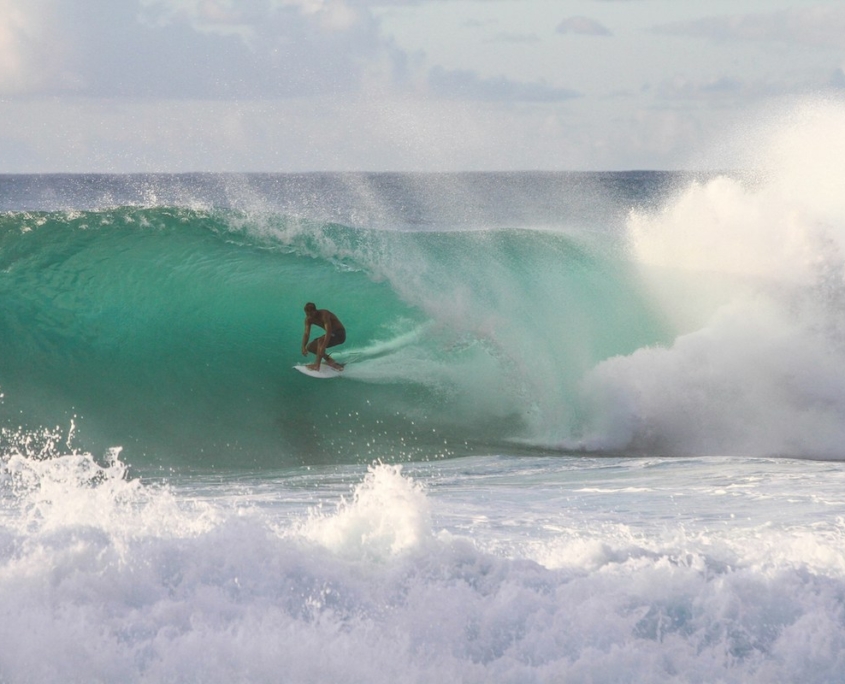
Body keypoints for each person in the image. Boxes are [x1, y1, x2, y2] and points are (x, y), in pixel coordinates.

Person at [301, 302, 346, 371]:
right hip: (332, 335)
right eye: (307, 314)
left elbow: (329, 331)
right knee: (310, 347)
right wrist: (303, 346)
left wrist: (323, 346)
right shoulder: (308, 319)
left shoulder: (324, 314)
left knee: (321, 341)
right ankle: (330, 361)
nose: (309, 316)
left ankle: (316, 366)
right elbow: (306, 334)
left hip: (340, 334)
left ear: (315, 311)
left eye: (311, 314)